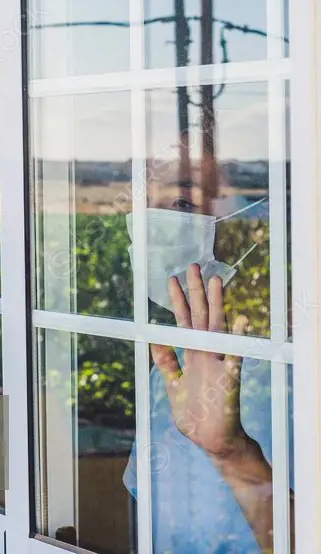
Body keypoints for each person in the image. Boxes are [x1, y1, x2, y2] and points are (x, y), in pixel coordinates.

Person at [123, 198, 293, 553]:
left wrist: (233, 454)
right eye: (144, 201)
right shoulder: (172, 374)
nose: (152, 223)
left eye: (182, 202)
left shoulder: (305, 377)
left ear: (252, 224)